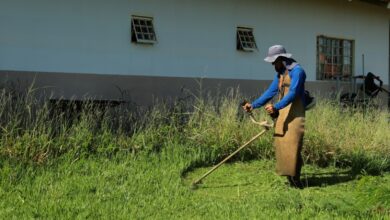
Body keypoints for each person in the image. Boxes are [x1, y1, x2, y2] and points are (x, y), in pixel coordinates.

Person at [242, 45, 306, 188]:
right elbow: (270, 92)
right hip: (284, 109)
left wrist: (276, 107)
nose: (272, 65)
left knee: (293, 143)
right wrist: (253, 105)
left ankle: (297, 180)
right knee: (281, 141)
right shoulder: (281, 74)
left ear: (281, 59)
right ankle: (289, 177)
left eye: (273, 62)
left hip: (296, 110)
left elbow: (293, 93)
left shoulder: (298, 72)